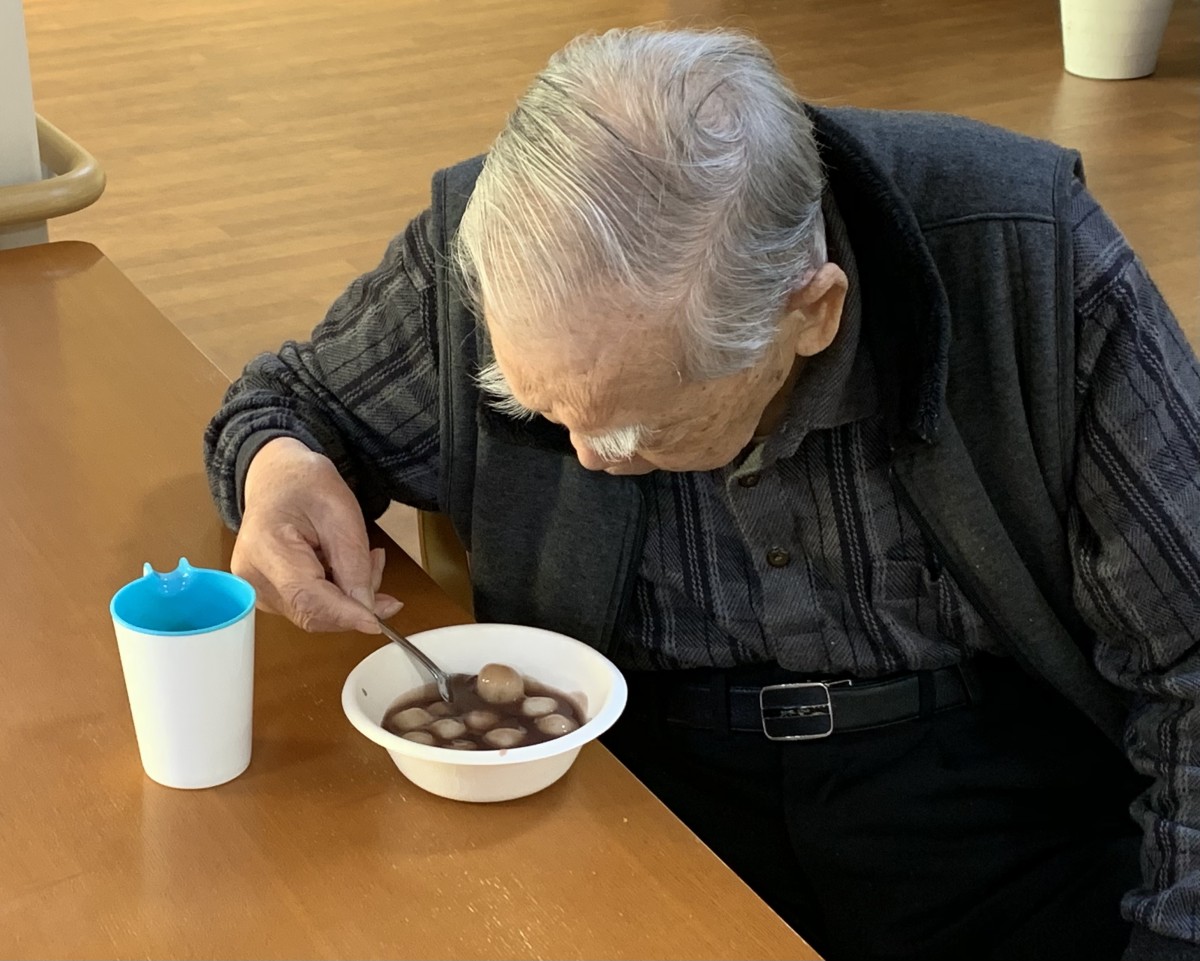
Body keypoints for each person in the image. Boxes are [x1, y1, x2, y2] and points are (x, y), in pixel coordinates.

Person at [204, 27, 1200, 961]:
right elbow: (288, 404)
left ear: (812, 312)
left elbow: (1191, 664)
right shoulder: (491, 254)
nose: (588, 455)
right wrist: (279, 472)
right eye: (540, 408)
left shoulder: (1031, 261)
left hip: (998, 795)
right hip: (642, 784)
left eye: (642, 426)